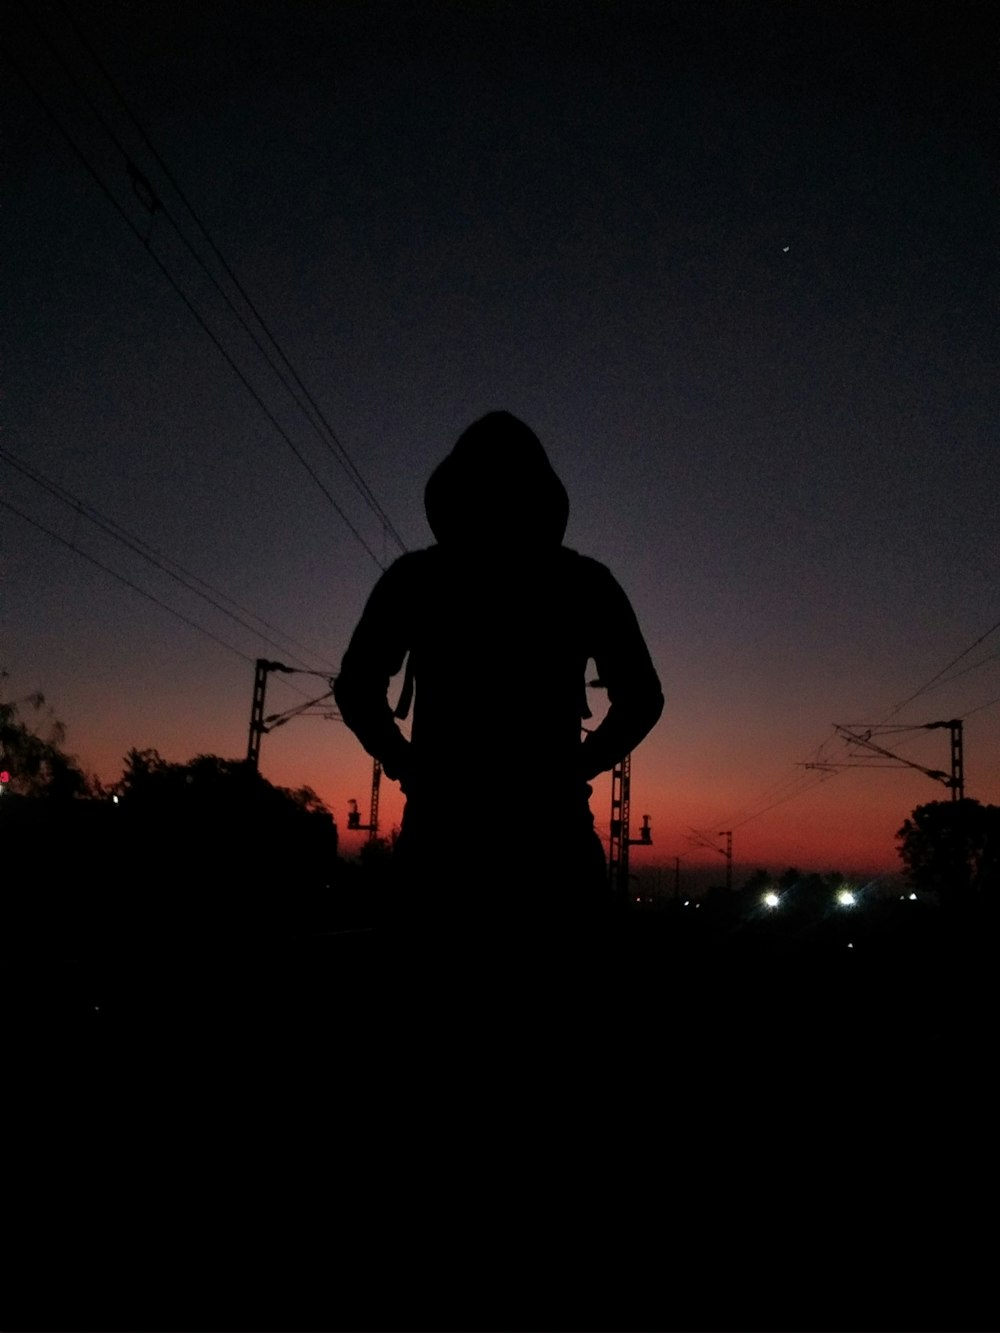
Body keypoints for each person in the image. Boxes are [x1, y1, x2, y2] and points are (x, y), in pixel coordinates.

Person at [334, 410, 663, 937]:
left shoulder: (414, 579)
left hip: (441, 837)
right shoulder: (585, 583)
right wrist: (576, 768)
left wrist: (409, 767)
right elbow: (643, 698)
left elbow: (355, 689)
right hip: (550, 838)